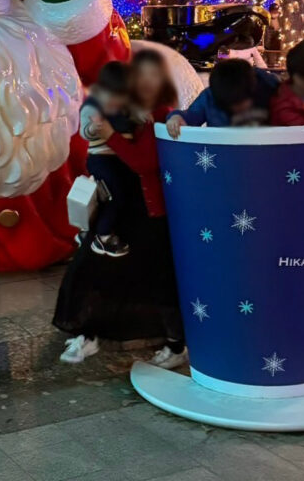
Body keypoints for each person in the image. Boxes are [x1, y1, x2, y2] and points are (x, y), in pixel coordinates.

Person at [54, 49, 186, 369]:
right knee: (89, 270)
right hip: (115, 206)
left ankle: (176, 343)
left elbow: (144, 161)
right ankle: (87, 334)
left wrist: (112, 135)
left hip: (147, 211)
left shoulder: (158, 113)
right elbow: (89, 128)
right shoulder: (109, 107)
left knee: (157, 279)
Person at [80, 62, 137, 258]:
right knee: (115, 195)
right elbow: (84, 131)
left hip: (121, 158)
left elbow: (132, 120)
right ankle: (102, 236)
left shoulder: (125, 104)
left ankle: (90, 231)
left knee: (119, 194)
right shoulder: (93, 105)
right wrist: (94, 128)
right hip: (101, 159)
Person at [166, 58, 279, 136]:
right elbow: (190, 116)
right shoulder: (210, 96)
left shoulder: (271, 87)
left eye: (238, 102)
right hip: (224, 157)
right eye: (228, 104)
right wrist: (176, 117)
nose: (235, 109)